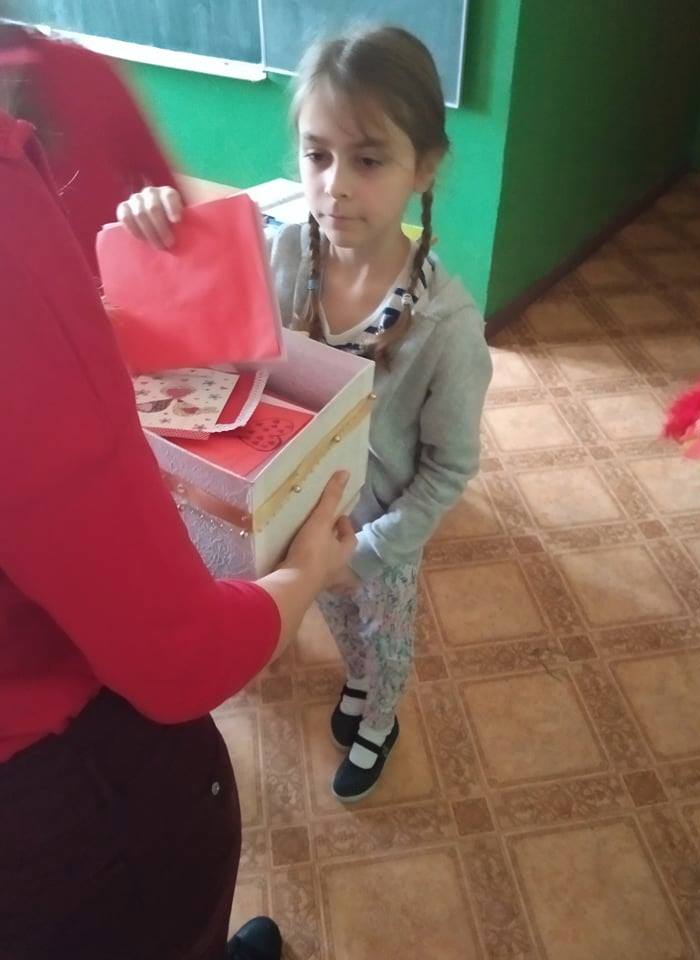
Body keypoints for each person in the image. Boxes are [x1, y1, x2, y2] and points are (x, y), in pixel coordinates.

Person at [0, 109, 355, 959]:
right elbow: (179, 657)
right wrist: (301, 576)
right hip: (56, 788)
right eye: (316, 155)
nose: (339, 184)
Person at [118, 26, 493, 803]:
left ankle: (379, 716)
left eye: (368, 160)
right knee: (339, 622)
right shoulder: (285, 253)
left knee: (380, 639)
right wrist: (157, 225)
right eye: (317, 155)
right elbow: (199, 312)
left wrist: (371, 553)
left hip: (378, 538)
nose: (335, 186)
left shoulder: (447, 327)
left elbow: (449, 467)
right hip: (300, 512)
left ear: (424, 166)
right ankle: (357, 680)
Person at [0, 21, 180, 274]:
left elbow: (171, 200)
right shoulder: (82, 67)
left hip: (123, 283)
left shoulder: (82, 69)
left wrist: (153, 208)